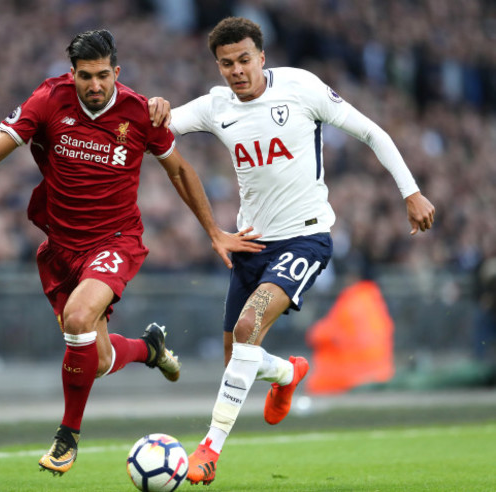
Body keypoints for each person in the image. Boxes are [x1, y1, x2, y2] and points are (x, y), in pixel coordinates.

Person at [0, 29, 263, 477]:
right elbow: (5, 138)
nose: (95, 85)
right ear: (73, 74)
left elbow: (180, 171)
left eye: (103, 75)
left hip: (115, 242)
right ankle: (149, 348)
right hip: (62, 249)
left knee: (79, 319)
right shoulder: (49, 99)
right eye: (86, 76)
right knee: (97, 359)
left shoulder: (141, 113)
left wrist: (214, 231)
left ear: (116, 73)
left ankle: (67, 437)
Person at [164, 17, 436, 485]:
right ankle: (288, 374)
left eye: (244, 59)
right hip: (251, 244)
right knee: (237, 355)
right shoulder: (216, 106)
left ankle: (210, 447)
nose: (236, 71)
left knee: (250, 326)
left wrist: (410, 192)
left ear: (262, 57)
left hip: (306, 238)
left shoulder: (300, 88)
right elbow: (161, 126)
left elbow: (373, 132)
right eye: (226, 64)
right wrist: (153, 105)